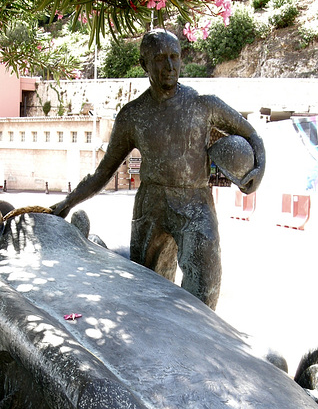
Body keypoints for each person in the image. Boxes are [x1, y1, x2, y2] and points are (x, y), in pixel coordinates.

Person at [51, 29, 265, 309]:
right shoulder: (133, 115)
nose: (170, 66)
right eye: (160, 58)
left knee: (205, 290)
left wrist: (257, 172)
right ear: (145, 64)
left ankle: (195, 349)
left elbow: (252, 136)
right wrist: (68, 202)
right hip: (151, 205)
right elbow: (103, 172)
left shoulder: (204, 104)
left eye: (175, 57)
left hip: (195, 204)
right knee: (146, 295)